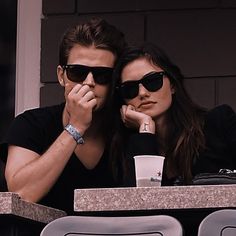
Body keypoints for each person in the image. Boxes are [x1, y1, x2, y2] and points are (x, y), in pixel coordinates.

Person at [2, 17, 127, 214]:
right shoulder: (31, 124)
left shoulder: (127, 128)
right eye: (78, 72)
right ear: (61, 76)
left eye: (102, 75)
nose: (89, 82)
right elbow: (20, 194)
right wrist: (75, 128)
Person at [110, 42, 236, 187]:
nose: (142, 93)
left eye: (152, 81)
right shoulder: (124, 147)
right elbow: (140, 201)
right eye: (130, 88)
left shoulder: (218, 123)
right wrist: (145, 129)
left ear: (173, 85)